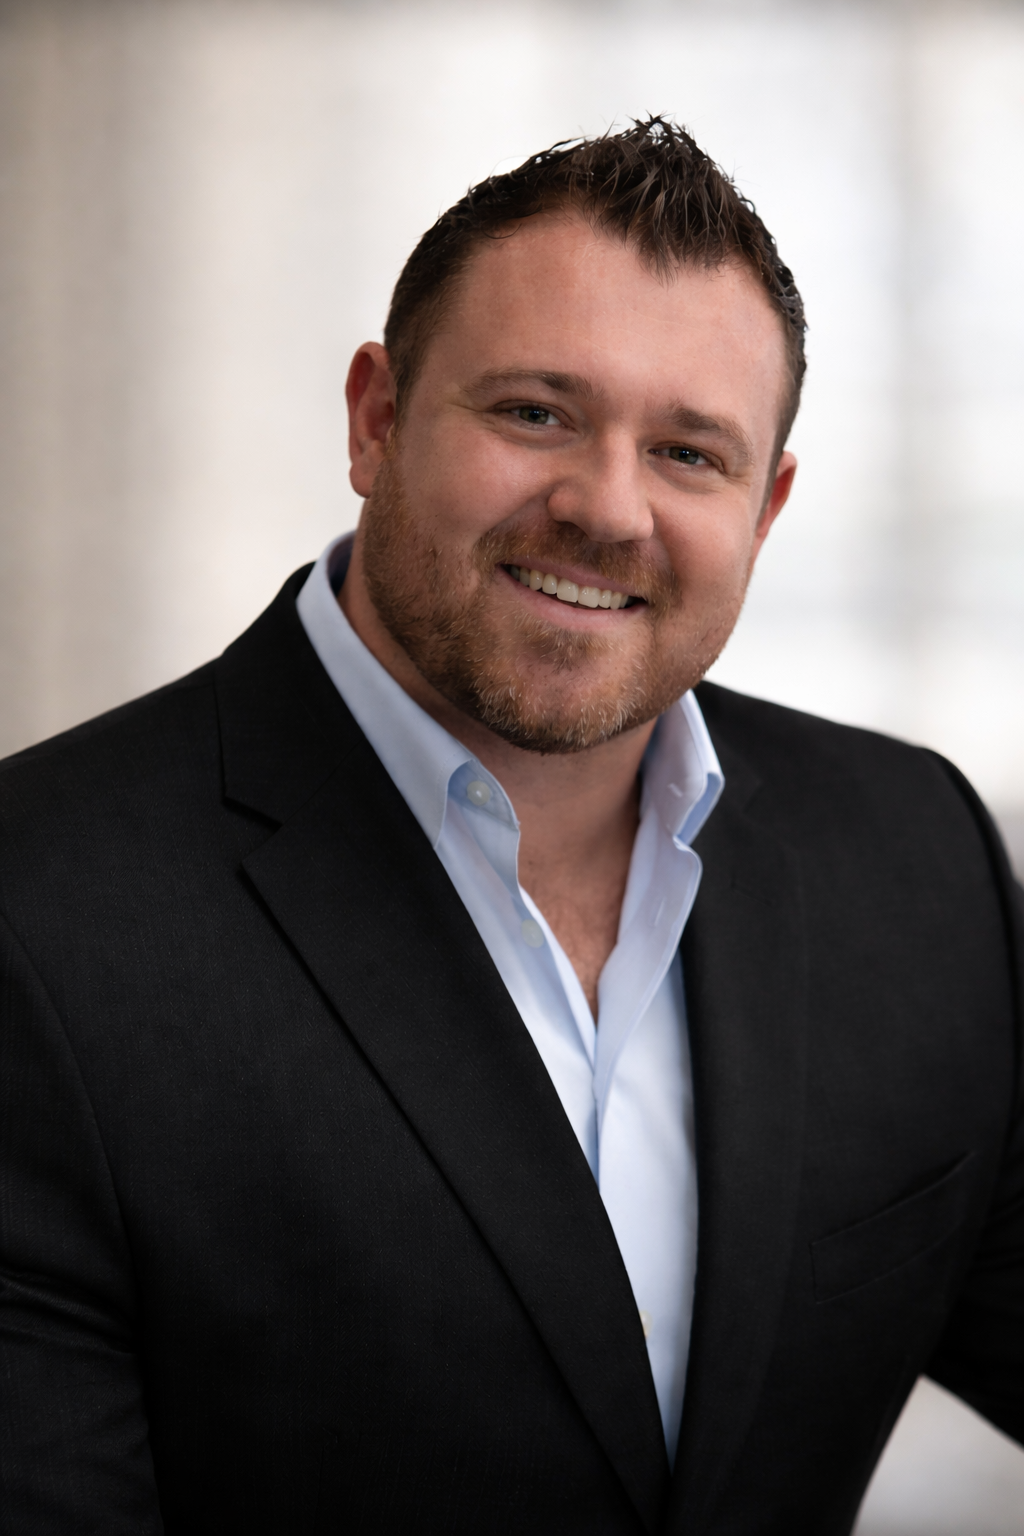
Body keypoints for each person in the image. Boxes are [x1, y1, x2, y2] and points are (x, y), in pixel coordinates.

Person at [0, 117, 1021, 1536]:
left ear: (768, 507)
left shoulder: (914, 855)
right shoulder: (39, 916)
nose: (607, 508)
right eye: (537, 412)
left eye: (687, 451)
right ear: (375, 418)